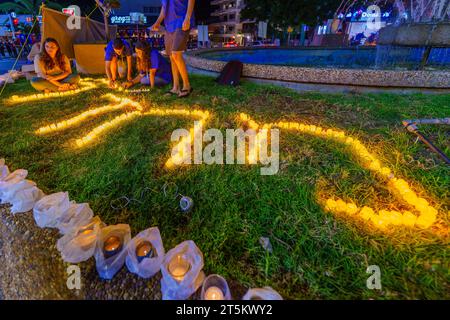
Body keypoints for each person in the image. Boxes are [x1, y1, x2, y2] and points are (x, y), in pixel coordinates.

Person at [151, 0, 195, 98]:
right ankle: (176, 87)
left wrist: (187, 18)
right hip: (168, 25)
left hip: (182, 20)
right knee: (171, 56)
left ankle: (187, 85)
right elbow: (164, 7)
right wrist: (157, 22)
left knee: (176, 54)